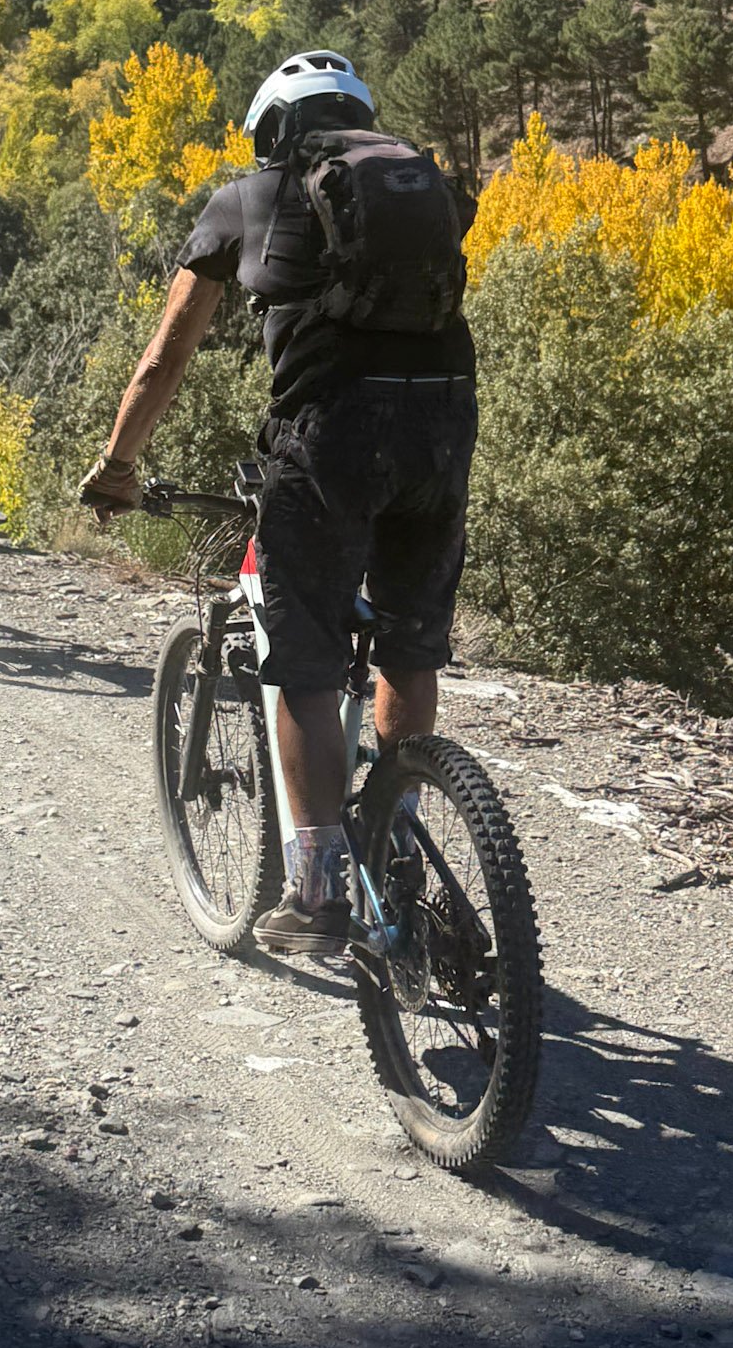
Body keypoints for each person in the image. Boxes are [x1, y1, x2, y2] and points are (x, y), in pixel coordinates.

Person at [80, 51, 477, 956]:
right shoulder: (424, 195)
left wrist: (116, 464)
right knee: (410, 646)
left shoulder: (248, 196)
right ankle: (399, 840)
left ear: (272, 132)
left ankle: (318, 888)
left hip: (332, 438)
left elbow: (164, 358)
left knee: (303, 661)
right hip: (448, 424)